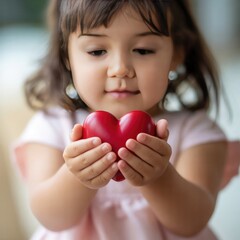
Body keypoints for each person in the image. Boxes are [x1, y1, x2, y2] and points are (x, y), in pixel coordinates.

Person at [13, 0, 228, 239]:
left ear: (176, 53)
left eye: (143, 50)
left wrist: (159, 177)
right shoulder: (50, 126)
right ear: (67, 56)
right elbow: (50, 217)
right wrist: (77, 177)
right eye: (97, 51)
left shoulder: (196, 132)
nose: (120, 68)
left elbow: (192, 221)